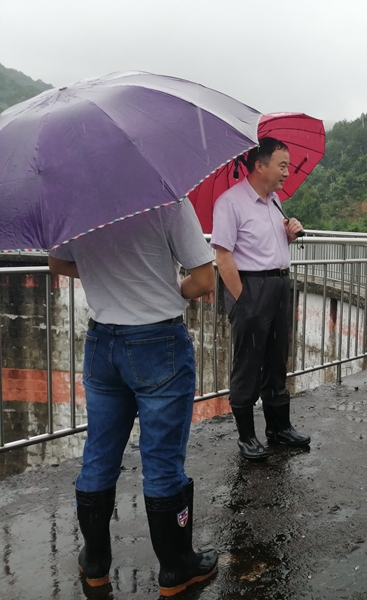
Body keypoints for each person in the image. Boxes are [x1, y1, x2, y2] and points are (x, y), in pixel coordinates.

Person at [47, 200, 218, 596]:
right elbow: (204, 280)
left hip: (101, 342)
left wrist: (105, 274)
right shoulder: (167, 199)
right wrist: (168, 287)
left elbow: (57, 263)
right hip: (157, 341)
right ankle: (175, 568)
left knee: (99, 454)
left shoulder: (75, 202)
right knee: (162, 461)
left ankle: (95, 563)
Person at [211, 137, 310, 461]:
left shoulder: (274, 201)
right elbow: (223, 256)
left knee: (277, 360)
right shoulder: (230, 202)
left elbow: (270, 249)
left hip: (279, 285)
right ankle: (246, 436)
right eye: (282, 165)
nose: (287, 172)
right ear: (259, 165)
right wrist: (242, 300)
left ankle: (279, 428)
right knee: (248, 364)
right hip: (251, 289)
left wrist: (289, 235)